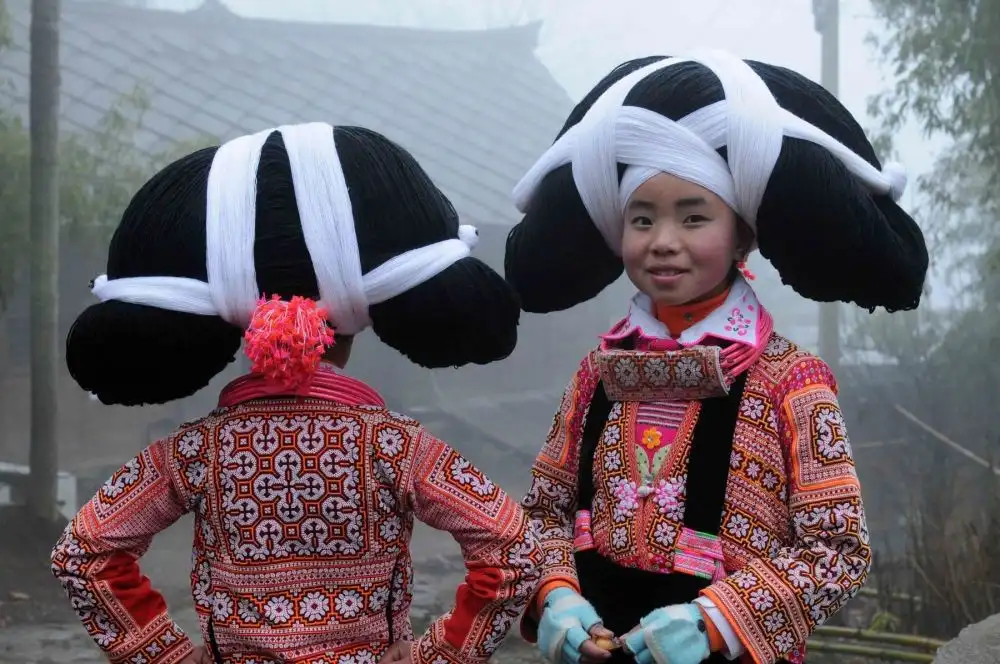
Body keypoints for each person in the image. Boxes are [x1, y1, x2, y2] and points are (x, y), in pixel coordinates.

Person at [50, 122, 542, 664]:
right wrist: (441, 653)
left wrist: (164, 654)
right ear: (355, 323)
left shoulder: (197, 452)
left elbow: (85, 551)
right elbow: (513, 548)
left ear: (244, 325)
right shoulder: (395, 447)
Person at [504, 51, 928, 664]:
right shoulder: (595, 375)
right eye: (642, 219)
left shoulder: (791, 383)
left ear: (741, 234)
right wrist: (555, 595)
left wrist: (714, 622)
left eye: (693, 217)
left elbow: (837, 549)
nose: (663, 242)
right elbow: (543, 515)